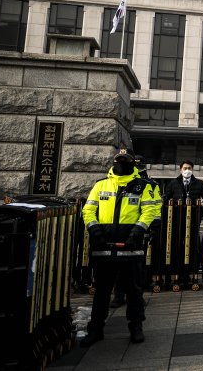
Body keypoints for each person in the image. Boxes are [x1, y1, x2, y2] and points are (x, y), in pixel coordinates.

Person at [80, 147, 162, 347]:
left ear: (133, 163)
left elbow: (150, 211)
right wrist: (95, 231)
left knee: (134, 291)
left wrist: (137, 232)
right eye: (119, 159)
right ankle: (96, 329)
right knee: (102, 291)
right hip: (104, 247)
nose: (121, 163)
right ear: (114, 161)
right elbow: (88, 209)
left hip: (131, 247)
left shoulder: (144, 186)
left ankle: (136, 327)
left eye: (125, 160)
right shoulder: (101, 185)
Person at [110, 154, 161, 309]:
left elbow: (155, 207)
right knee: (117, 265)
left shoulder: (150, 184)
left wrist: (154, 228)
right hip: (119, 230)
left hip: (140, 230)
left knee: (137, 267)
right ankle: (118, 295)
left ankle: (137, 296)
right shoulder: (117, 180)